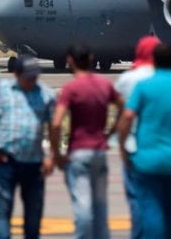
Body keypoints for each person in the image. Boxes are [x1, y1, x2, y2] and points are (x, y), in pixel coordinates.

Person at [117, 43, 171, 239]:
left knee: (150, 211)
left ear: (154, 61)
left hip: (146, 161)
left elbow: (127, 117)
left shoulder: (144, 87)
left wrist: (122, 149)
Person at [50, 44, 124, 239]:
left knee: (83, 206)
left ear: (70, 61)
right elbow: (124, 108)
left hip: (79, 152)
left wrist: (57, 154)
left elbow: (56, 123)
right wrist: (110, 133)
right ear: (92, 59)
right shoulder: (104, 84)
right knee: (100, 207)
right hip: (99, 152)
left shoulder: (71, 88)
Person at [0, 56, 56, 239]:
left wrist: (52, 156)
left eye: (35, 75)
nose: (33, 79)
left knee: (33, 217)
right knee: (2, 212)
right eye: (28, 76)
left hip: (34, 163)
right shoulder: (2, 91)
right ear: (16, 74)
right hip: (6, 160)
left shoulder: (46, 94)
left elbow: (53, 127)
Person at [113, 35, 159, 239]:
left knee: (138, 202)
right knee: (168, 207)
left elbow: (124, 116)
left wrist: (120, 146)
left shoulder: (128, 79)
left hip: (136, 151)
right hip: (167, 153)